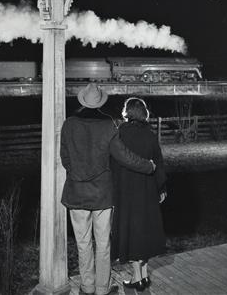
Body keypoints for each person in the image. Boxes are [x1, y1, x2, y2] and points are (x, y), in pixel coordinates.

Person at [60, 83, 155, 295]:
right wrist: (148, 166)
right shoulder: (108, 126)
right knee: (103, 245)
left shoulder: (69, 124)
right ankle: (103, 289)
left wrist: (77, 174)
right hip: (102, 195)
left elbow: (65, 158)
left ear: (82, 100)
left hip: (76, 193)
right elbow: (124, 157)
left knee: (83, 244)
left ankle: (87, 287)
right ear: (101, 102)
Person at [111, 97, 167, 292]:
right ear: (144, 113)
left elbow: (114, 163)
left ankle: (137, 278)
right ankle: (143, 276)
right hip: (147, 190)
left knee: (131, 234)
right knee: (144, 232)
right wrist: (161, 189)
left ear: (127, 112)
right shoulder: (150, 135)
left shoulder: (120, 133)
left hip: (126, 192)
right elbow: (159, 164)